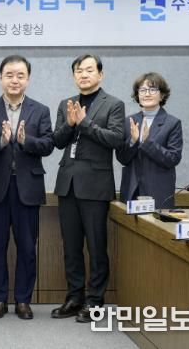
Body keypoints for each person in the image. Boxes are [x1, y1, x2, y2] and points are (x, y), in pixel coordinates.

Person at [51, 54, 125, 323]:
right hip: (67, 184)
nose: (83, 74)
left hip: (95, 185)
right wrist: (70, 124)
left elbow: (116, 139)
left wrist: (85, 124)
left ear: (100, 74)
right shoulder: (66, 104)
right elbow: (57, 141)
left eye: (89, 70)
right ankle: (74, 298)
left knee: (96, 247)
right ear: (74, 76)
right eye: (79, 70)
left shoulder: (113, 104)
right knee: (71, 247)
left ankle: (95, 301)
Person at [0, 55, 54, 320]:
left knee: (27, 247)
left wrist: (25, 141)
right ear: (0, 78)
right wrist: (1, 141)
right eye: (9, 75)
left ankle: (23, 300)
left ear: (28, 79)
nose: (14, 80)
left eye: (20, 75)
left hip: (28, 188)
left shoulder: (40, 110)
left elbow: (48, 144)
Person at [116, 72, 182, 208]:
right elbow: (122, 158)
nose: (147, 94)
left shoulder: (172, 123)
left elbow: (173, 158)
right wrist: (133, 142)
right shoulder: (128, 121)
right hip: (131, 190)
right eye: (142, 90)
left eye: (152, 90)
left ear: (162, 95)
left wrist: (147, 142)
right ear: (137, 95)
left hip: (158, 192)